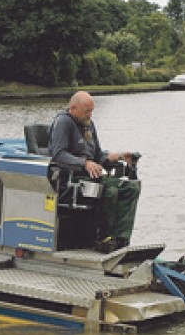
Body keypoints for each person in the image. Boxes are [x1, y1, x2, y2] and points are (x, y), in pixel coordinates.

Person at [48, 91, 141, 253]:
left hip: (92, 176)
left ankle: (120, 237)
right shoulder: (63, 122)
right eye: (86, 111)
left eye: (91, 111)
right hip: (71, 178)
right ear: (73, 108)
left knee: (131, 187)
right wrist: (84, 163)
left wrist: (120, 156)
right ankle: (103, 238)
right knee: (110, 191)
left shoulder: (88, 124)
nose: (89, 115)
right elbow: (58, 154)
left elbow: (99, 155)